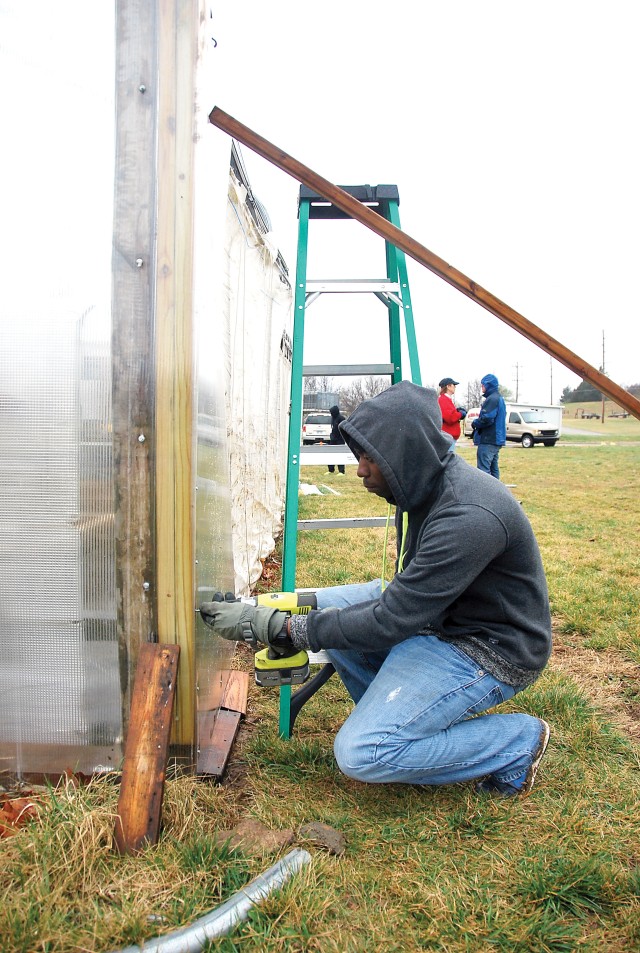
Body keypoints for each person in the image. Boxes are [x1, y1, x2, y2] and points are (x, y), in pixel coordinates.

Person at [201, 382, 552, 798]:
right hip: (440, 618)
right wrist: (259, 612)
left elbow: (390, 620)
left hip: (488, 647)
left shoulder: (468, 514)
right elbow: (393, 608)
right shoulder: (424, 486)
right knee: (327, 607)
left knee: (362, 752)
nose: (360, 470)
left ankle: (515, 741)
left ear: (405, 456)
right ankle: (403, 718)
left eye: (370, 458)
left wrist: (283, 630)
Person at [472, 373, 506, 479]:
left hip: (489, 439)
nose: (482, 387)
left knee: (484, 471)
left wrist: (475, 423)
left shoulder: (492, 399)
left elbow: (487, 418)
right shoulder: (499, 398)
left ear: (488, 385)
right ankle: (497, 493)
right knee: (493, 469)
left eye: (482, 385)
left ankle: (486, 494)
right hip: (496, 439)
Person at [437, 377, 467, 449]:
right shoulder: (443, 399)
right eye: (453, 385)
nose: (455, 387)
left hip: (449, 436)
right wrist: (460, 414)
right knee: (448, 458)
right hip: (448, 436)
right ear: (448, 386)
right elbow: (449, 418)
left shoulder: (446, 399)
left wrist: (456, 411)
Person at [327, 404, 346, 474]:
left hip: (340, 440)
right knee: (331, 454)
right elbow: (333, 429)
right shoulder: (333, 418)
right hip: (333, 439)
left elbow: (344, 430)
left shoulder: (341, 418)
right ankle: (331, 470)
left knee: (340, 455)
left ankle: (341, 471)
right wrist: (331, 436)